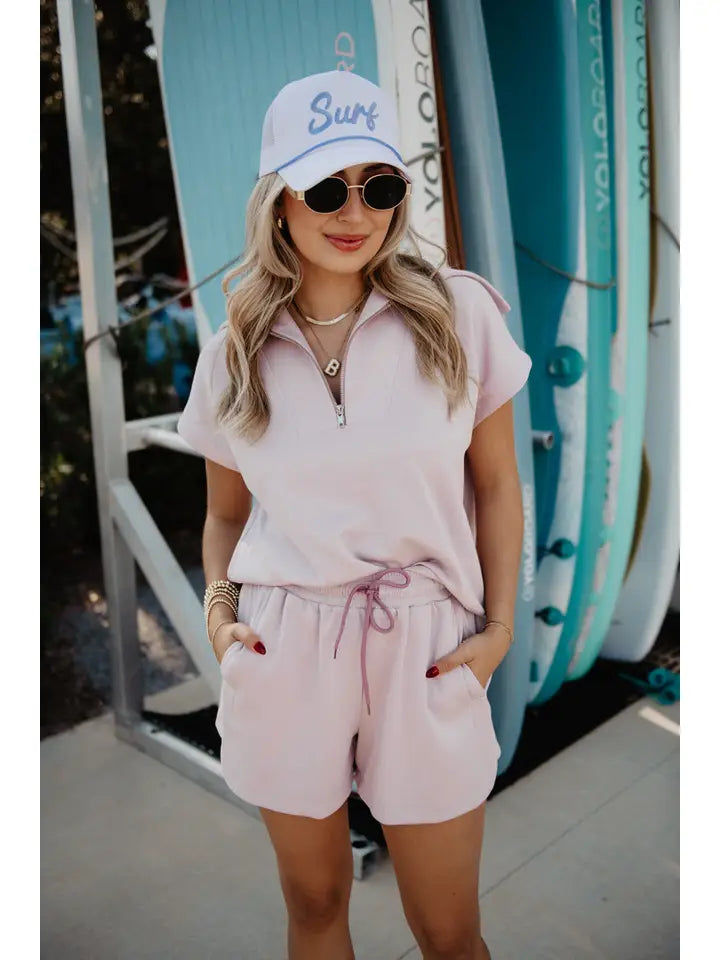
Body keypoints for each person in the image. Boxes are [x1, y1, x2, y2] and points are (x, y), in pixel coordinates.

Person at [178, 69, 531, 960]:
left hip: (427, 645)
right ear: (279, 201)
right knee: (314, 903)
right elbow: (225, 516)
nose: (355, 210)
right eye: (327, 186)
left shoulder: (461, 316)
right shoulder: (232, 356)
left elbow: (496, 485)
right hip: (284, 643)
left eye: (379, 186)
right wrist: (220, 616)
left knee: (449, 931)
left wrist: (496, 628)